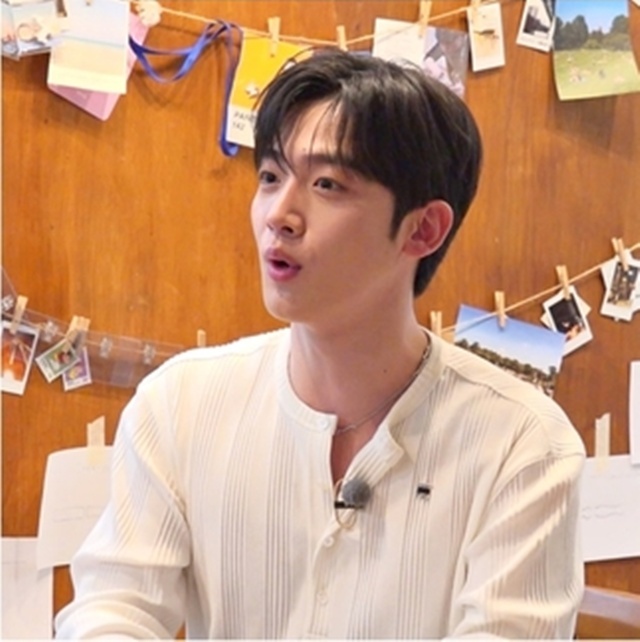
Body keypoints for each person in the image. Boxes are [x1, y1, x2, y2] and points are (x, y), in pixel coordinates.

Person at [55, 49, 585, 639]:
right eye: (270, 177)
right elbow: (115, 608)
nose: (279, 215)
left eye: (327, 184)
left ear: (423, 228)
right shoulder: (179, 404)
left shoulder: (524, 443)